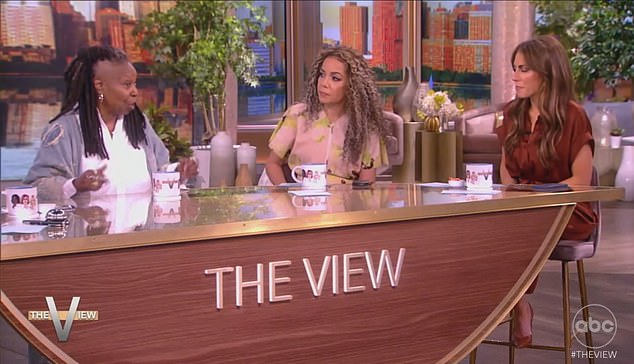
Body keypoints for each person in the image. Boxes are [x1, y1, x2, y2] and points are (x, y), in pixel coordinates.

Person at [495, 35, 596, 348]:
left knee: (525, 223)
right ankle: (516, 304)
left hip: (567, 208)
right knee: (484, 224)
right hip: (523, 208)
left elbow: (581, 181)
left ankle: (504, 302)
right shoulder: (512, 114)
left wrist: (538, 197)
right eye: (514, 68)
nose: (515, 76)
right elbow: (506, 172)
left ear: (548, 72)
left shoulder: (574, 116)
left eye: (524, 69)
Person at [24, 45, 196, 201]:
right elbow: (36, 185)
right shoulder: (66, 129)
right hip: (88, 234)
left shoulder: (139, 123)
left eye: (135, 84)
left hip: (142, 235)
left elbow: (160, 169)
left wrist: (177, 172)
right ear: (99, 85)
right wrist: (75, 185)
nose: (135, 92)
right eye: (127, 85)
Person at [262, 46, 389, 185]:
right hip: (298, 199)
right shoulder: (298, 115)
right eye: (322, 75)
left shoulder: (367, 129)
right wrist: (287, 199)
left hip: (345, 203)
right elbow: (272, 165)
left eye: (335, 78)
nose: (323, 83)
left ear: (352, 86)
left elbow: (366, 187)